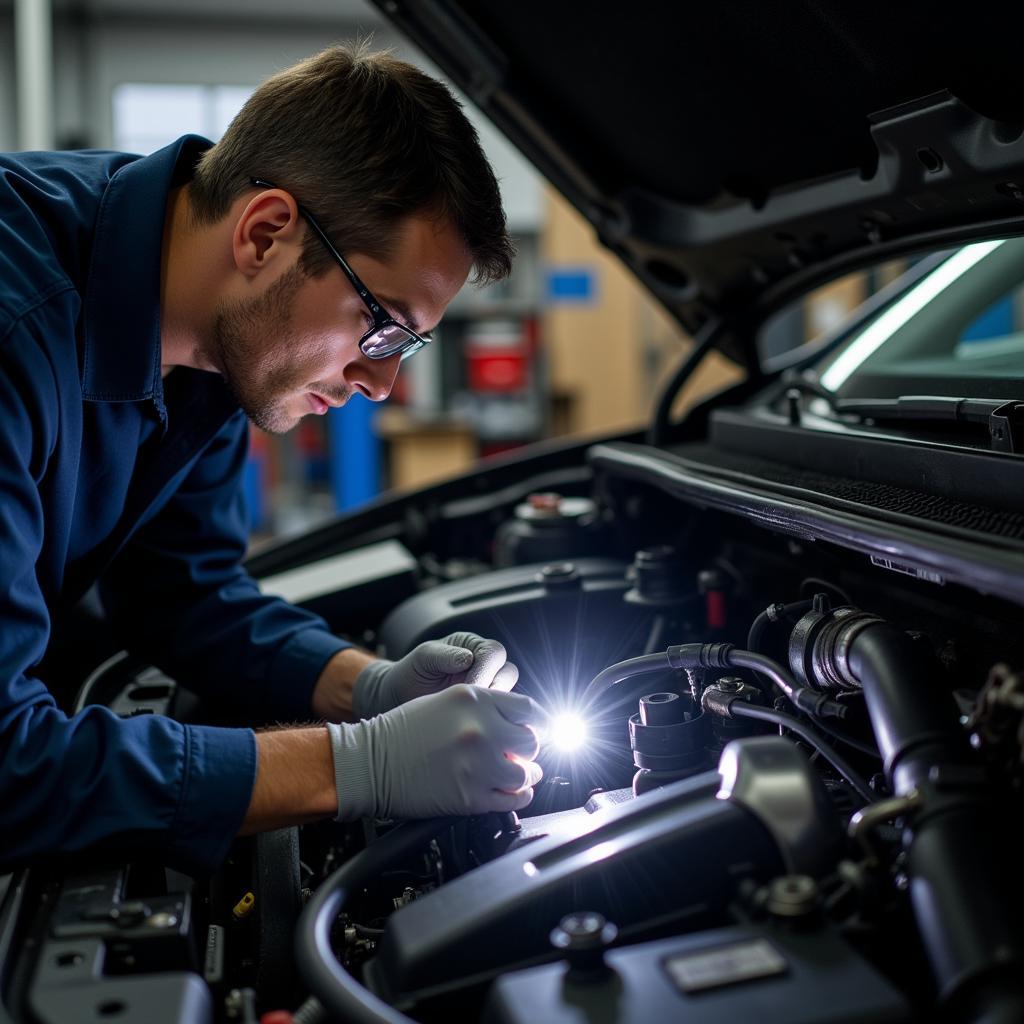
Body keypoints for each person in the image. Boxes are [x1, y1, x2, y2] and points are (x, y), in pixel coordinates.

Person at [0, 42, 546, 874]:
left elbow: (186, 596)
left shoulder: (214, 338)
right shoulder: (16, 330)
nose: (383, 384)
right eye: (383, 326)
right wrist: (360, 765)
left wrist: (369, 688)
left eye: (412, 344)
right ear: (265, 233)